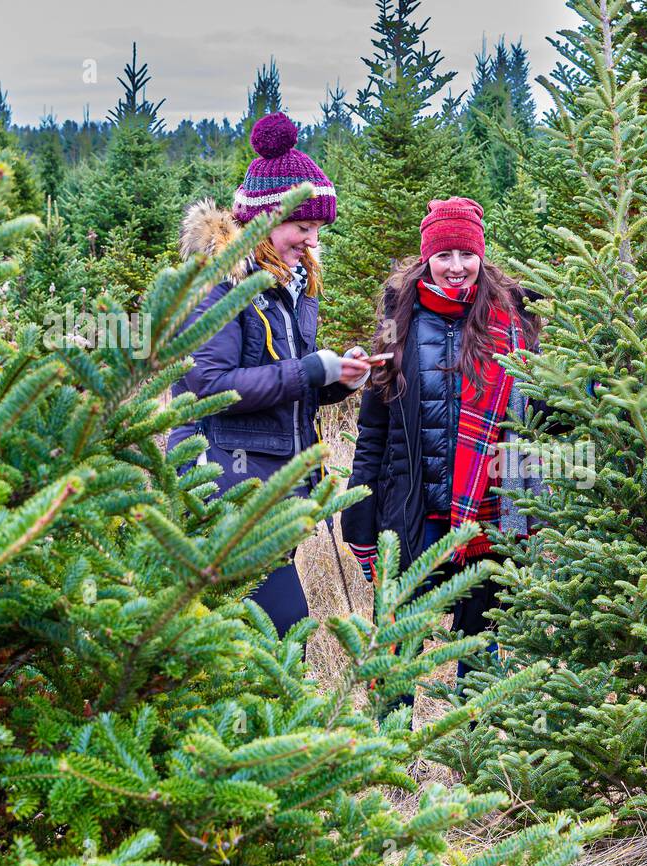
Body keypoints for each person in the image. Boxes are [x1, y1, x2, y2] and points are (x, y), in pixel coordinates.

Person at [166, 111, 371, 636]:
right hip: (222, 480)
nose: (312, 241)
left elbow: (285, 385)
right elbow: (208, 387)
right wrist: (309, 370)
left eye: (318, 230)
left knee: (264, 634)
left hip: (272, 480)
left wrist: (334, 381)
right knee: (279, 627)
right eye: (302, 228)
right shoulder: (220, 282)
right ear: (264, 222)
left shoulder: (295, 284)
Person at [341, 196, 541, 715]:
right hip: (414, 513)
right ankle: (387, 753)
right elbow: (372, 433)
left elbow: (538, 424)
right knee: (398, 641)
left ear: (481, 256)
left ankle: (473, 759)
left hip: (487, 515)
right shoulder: (399, 326)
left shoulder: (515, 326)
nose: (455, 267)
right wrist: (359, 517)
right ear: (426, 259)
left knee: (481, 641)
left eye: (465, 254)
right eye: (444, 255)